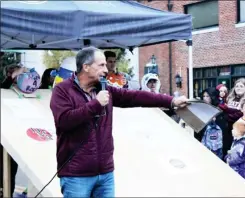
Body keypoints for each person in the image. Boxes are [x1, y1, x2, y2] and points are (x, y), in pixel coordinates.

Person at [50, 46, 188, 197]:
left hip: (105, 173)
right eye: (101, 65)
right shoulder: (62, 90)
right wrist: (95, 104)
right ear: (86, 67)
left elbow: (135, 96)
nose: (106, 69)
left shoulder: (105, 89)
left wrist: (172, 101)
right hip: (76, 175)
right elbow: (64, 121)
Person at [0, 64, 26, 198]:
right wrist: (12, 77)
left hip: (15, 143)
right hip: (3, 143)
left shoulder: (24, 93)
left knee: (11, 176)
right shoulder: (5, 90)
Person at [218, 78, 245, 158]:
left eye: (241, 86)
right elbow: (223, 111)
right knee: (227, 152)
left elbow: (242, 114)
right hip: (228, 130)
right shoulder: (229, 98)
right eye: (237, 86)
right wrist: (230, 113)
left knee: (238, 154)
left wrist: (228, 114)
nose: (239, 88)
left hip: (241, 131)